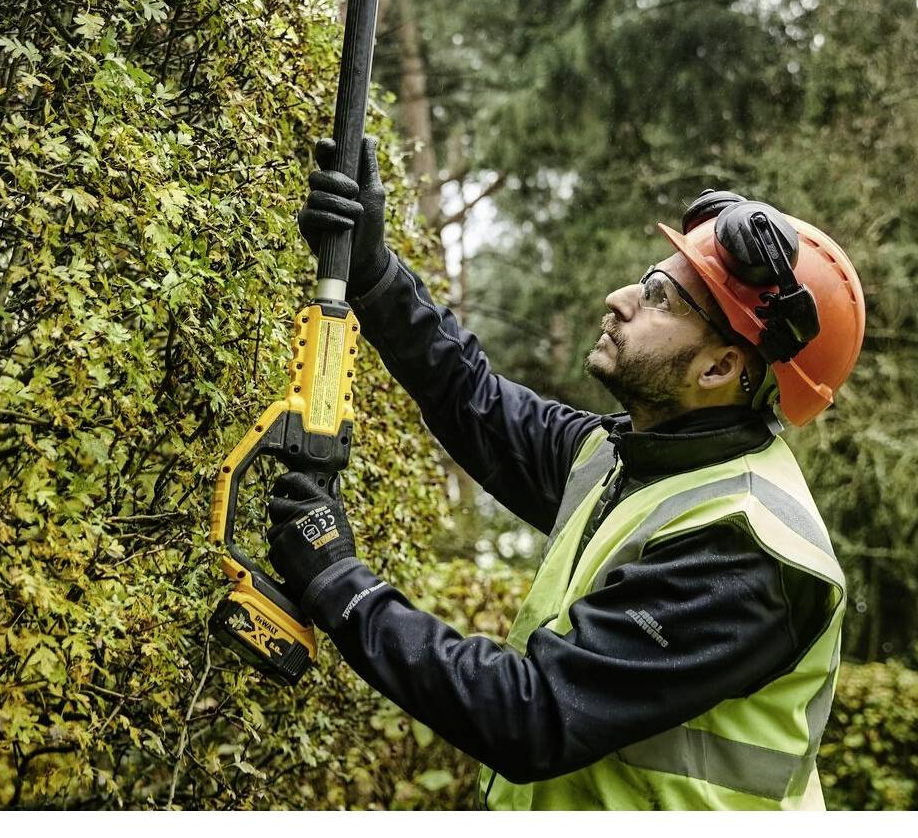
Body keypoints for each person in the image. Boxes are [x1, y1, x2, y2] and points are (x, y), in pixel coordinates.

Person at [266, 137, 866, 810]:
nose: (620, 298)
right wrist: (374, 271)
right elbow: (472, 400)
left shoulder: (744, 549)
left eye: (660, 298)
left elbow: (534, 714)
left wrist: (341, 586)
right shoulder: (627, 459)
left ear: (720, 367)